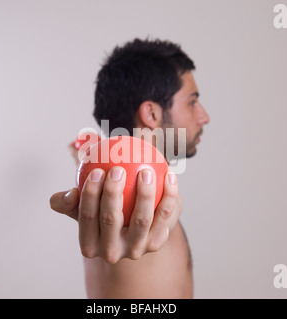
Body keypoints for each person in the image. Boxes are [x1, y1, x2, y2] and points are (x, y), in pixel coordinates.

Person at [50, 38, 210, 298]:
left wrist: (83, 155)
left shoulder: (102, 175)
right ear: (152, 113)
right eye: (192, 101)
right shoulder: (126, 194)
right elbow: (157, 206)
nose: (204, 116)